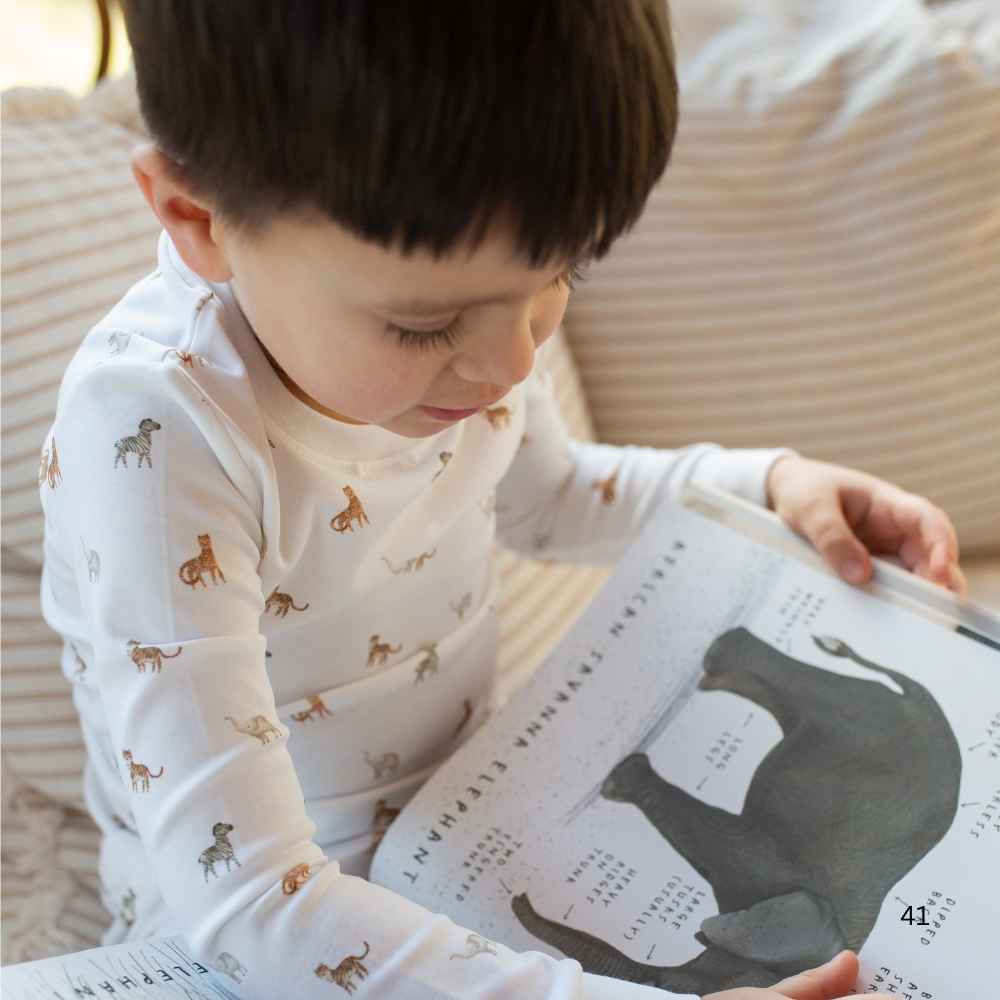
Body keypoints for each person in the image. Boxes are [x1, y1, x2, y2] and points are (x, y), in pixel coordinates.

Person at [39, 2, 961, 998]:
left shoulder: (476, 333)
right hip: (245, 943)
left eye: (557, 274)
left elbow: (554, 497)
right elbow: (248, 901)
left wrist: (767, 485)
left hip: (467, 851)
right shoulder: (158, 438)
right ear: (197, 216)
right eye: (422, 321)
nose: (512, 360)